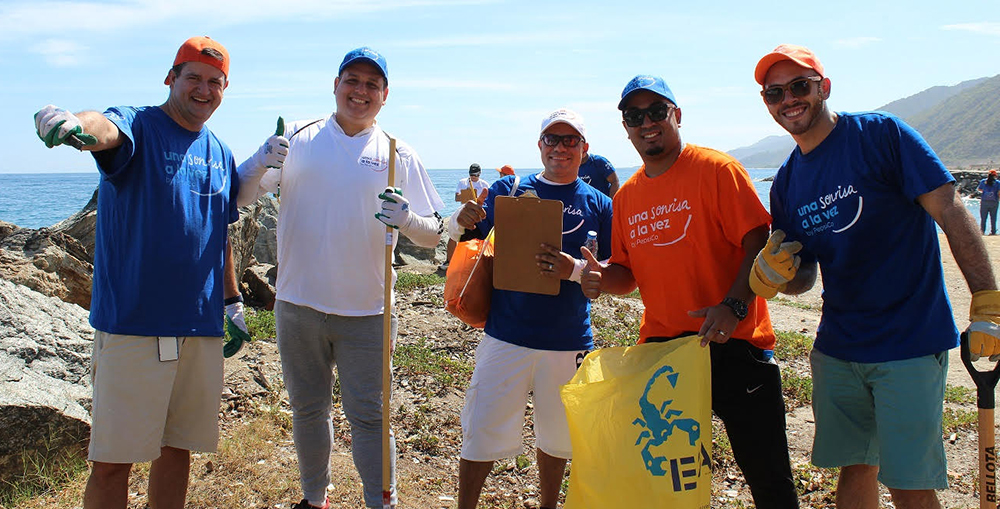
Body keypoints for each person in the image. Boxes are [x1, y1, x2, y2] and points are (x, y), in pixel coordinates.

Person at [31, 36, 279, 509]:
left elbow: (218, 233)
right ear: (171, 78)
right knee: (111, 463)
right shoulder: (140, 126)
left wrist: (231, 302)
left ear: (224, 90)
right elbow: (103, 129)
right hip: (135, 326)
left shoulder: (220, 152)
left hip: (199, 328)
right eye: (193, 78)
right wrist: (71, 123)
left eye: (215, 82)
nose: (203, 90)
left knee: (177, 450)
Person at [752, 44, 999, 509]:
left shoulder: (881, 135)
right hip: (839, 347)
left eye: (799, 86)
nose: (788, 99)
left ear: (824, 88)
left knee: (909, 482)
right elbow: (804, 272)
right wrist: (775, 277)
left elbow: (949, 207)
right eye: (774, 93)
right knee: (855, 467)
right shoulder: (786, 182)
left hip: (908, 341)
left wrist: (986, 300)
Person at [237, 47, 444, 509]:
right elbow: (243, 196)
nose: (361, 91)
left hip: (369, 312)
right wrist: (259, 160)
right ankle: (315, 498)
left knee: (370, 417)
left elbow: (433, 237)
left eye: (372, 85)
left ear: (385, 96)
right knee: (309, 410)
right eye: (352, 80)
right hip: (297, 306)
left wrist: (407, 219)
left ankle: (380, 501)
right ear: (335, 85)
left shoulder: (397, 152)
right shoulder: (297, 137)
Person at [579, 75, 799, 508]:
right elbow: (626, 275)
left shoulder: (717, 170)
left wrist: (734, 306)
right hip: (665, 351)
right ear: (625, 126)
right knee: (664, 483)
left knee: (768, 476)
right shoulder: (626, 197)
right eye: (634, 116)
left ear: (676, 116)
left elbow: (757, 242)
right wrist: (601, 277)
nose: (647, 123)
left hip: (735, 342)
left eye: (657, 112)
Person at [451, 108, 612, 509]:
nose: (560, 148)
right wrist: (461, 217)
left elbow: (614, 270)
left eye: (570, 140)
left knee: (558, 438)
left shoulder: (601, 205)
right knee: (481, 431)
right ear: (539, 146)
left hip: (568, 339)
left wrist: (576, 271)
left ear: (584, 149)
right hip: (506, 335)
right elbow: (465, 234)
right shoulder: (510, 188)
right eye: (552, 140)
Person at [442, 164, 491, 270]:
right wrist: (468, 196)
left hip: (477, 214)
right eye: (471, 174)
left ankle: (476, 262)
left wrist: (477, 198)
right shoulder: (463, 182)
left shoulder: (484, 184)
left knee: (478, 238)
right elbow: (456, 197)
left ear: (480, 173)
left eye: (475, 175)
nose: (473, 177)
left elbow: (488, 200)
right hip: (463, 212)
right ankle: (449, 261)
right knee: (453, 236)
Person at [978, 169, 999, 234]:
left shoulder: (983, 181)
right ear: (995, 175)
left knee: (983, 218)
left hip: (984, 202)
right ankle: (993, 231)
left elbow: (979, 189)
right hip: (994, 202)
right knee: (993, 218)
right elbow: (999, 193)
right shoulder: (997, 183)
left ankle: (982, 231)